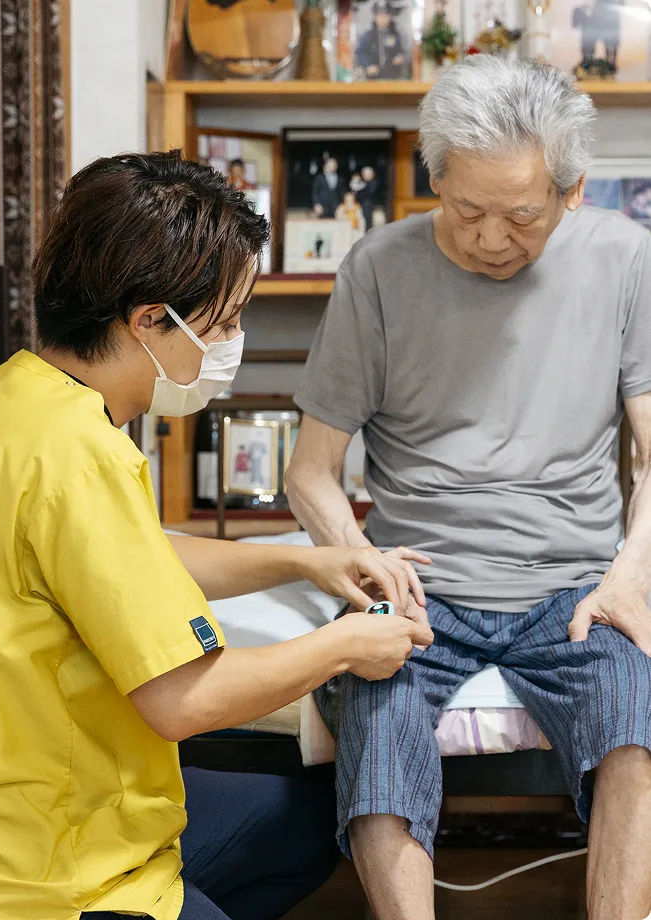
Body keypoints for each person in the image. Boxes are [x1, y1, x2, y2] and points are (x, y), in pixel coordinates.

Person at [0, 151, 434, 920]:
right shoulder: (75, 454)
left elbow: (128, 556)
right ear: (147, 319)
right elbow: (182, 700)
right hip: (35, 876)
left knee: (304, 821)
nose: (232, 341)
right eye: (226, 322)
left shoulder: (6, 401)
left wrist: (305, 561)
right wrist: (346, 647)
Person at [286, 56, 651, 920]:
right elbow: (309, 471)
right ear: (434, 179)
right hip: (419, 582)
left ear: (570, 192)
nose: (491, 238)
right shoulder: (378, 267)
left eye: (521, 215)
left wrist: (630, 573)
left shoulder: (626, 258)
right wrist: (364, 566)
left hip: (573, 585)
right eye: (465, 210)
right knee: (374, 712)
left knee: (634, 720)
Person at [355, 1, 411, 81]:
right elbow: (360, 52)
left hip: (391, 76)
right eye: (380, 16)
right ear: (375, 17)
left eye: (386, 16)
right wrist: (368, 65)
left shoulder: (394, 35)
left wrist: (400, 57)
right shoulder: (368, 35)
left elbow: (400, 51)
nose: (383, 19)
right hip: (373, 77)